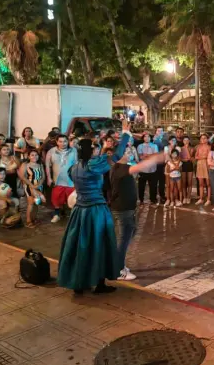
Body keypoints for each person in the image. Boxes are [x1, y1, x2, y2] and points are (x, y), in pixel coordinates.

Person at [57, 123, 132, 294]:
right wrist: (126, 133)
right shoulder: (93, 165)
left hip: (79, 211)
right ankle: (99, 283)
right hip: (96, 210)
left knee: (80, 246)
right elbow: (117, 155)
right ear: (91, 151)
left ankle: (78, 283)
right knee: (100, 245)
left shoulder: (73, 168)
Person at [110, 147, 165, 281]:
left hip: (127, 208)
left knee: (130, 233)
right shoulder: (119, 169)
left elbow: (142, 167)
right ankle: (119, 269)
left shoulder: (122, 167)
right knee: (124, 239)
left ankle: (118, 264)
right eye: (126, 152)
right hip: (122, 209)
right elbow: (141, 166)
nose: (129, 154)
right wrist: (156, 158)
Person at [45, 135, 78, 223]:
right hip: (58, 181)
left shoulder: (73, 151)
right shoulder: (51, 151)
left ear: (67, 142)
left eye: (65, 141)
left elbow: (76, 164)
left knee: (73, 199)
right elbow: (47, 166)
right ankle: (57, 215)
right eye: (60, 141)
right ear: (56, 142)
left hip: (71, 181)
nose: (62, 143)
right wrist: (49, 178)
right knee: (56, 199)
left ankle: (73, 216)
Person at [18, 149, 46, 228]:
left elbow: (43, 176)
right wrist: (32, 186)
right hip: (29, 185)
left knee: (37, 202)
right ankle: (28, 220)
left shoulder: (40, 164)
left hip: (39, 185)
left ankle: (34, 218)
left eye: (36, 155)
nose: (34, 157)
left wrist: (39, 184)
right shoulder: (25, 165)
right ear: (29, 156)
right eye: (32, 155)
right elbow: (22, 177)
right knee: (31, 203)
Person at [136, 133, 159, 206]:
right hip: (143, 169)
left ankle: (153, 199)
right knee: (141, 186)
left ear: (150, 138)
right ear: (143, 138)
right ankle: (141, 199)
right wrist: (150, 156)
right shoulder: (140, 146)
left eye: (148, 136)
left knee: (153, 185)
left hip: (153, 169)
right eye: (145, 136)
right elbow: (140, 157)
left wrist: (146, 155)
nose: (147, 138)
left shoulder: (154, 145)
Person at [194, 134, 211, 205]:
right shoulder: (198, 147)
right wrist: (203, 157)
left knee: (208, 184)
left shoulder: (209, 147)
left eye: (204, 138)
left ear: (207, 139)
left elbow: (209, 156)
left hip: (207, 165)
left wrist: (202, 157)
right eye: (202, 138)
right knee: (201, 183)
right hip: (200, 165)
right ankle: (201, 198)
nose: (203, 139)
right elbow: (196, 156)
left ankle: (208, 199)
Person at [180, 136, 194, 204]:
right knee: (184, 182)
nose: (186, 141)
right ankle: (184, 197)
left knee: (189, 182)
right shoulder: (180, 148)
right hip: (183, 166)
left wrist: (186, 148)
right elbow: (180, 158)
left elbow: (189, 157)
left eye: (187, 140)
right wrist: (185, 159)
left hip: (189, 165)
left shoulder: (191, 148)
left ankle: (189, 197)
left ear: (189, 141)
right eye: (184, 140)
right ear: (183, 141)